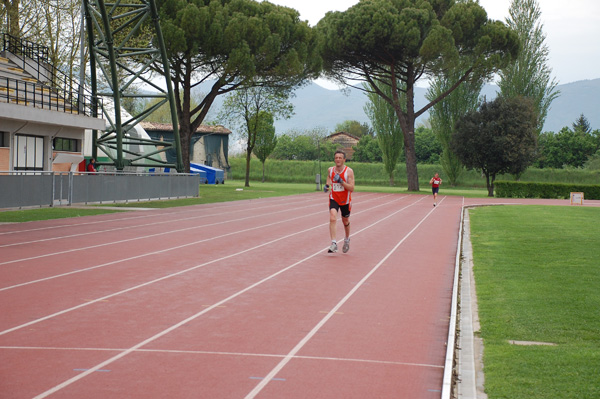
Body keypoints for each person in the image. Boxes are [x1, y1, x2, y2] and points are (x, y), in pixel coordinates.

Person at [323, 150, 355, 253]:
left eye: (340, 158)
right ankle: (333, 243)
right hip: (334, 198)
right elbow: (329, 177)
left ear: (344, 160)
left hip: (345, 200)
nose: (338, 159)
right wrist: (327, 185)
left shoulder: (349, 171)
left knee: (345, 220)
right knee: (332, 217)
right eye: (336, 158)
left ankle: (346, 239)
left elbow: (351, 188)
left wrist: (341, 181)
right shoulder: (331, 170)